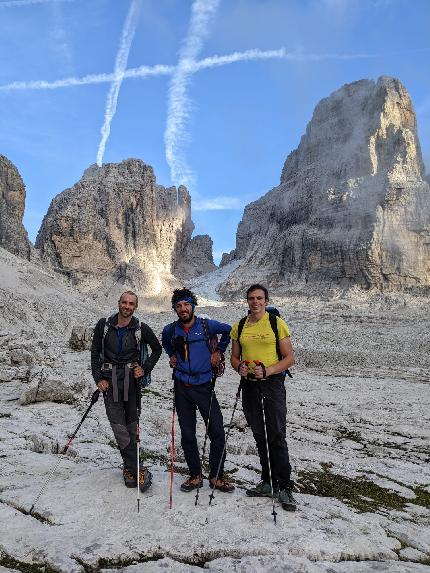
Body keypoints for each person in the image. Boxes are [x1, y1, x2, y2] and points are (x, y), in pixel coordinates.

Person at [230, 284, 296, 511]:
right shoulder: (239, 326)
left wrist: (267, 370)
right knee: (259, 433)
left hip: (272, 384)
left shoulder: (277, 324)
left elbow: (289, 359)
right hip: (249, 385)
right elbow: (234, 358)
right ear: (246, 301)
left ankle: (285, 487)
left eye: (259, 298)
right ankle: (268, 482)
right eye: (251, 298)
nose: (255, 302)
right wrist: (239, 367)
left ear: (266, 301)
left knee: (276, 434)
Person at [162, 288, 234, 493]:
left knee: (217, 431)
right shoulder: (170, 329)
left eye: (186, 304)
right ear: (174, 308)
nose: (183, 309)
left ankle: (216, 476)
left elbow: (229, 330)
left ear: (193, 305)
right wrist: (172, 355)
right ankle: (195, 475)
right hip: (182, 386)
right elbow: (165, 343)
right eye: (179, 306)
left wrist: (219, 351)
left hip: (204, 385)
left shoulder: (206, 325)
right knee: (188, 433)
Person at [91, 291, 162, 492]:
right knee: (119, 428)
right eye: (124, 302)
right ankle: (137, 468)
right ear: (118, 303)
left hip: (132, 383)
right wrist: (98, 379)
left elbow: (157, 349)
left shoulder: (141, 328)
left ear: (135, 307)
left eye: (131, 303)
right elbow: (95, 352)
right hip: (110, 382)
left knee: (131, 427)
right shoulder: (103, 325)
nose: (127, 306)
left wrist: (145, 368)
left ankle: (129, 469)